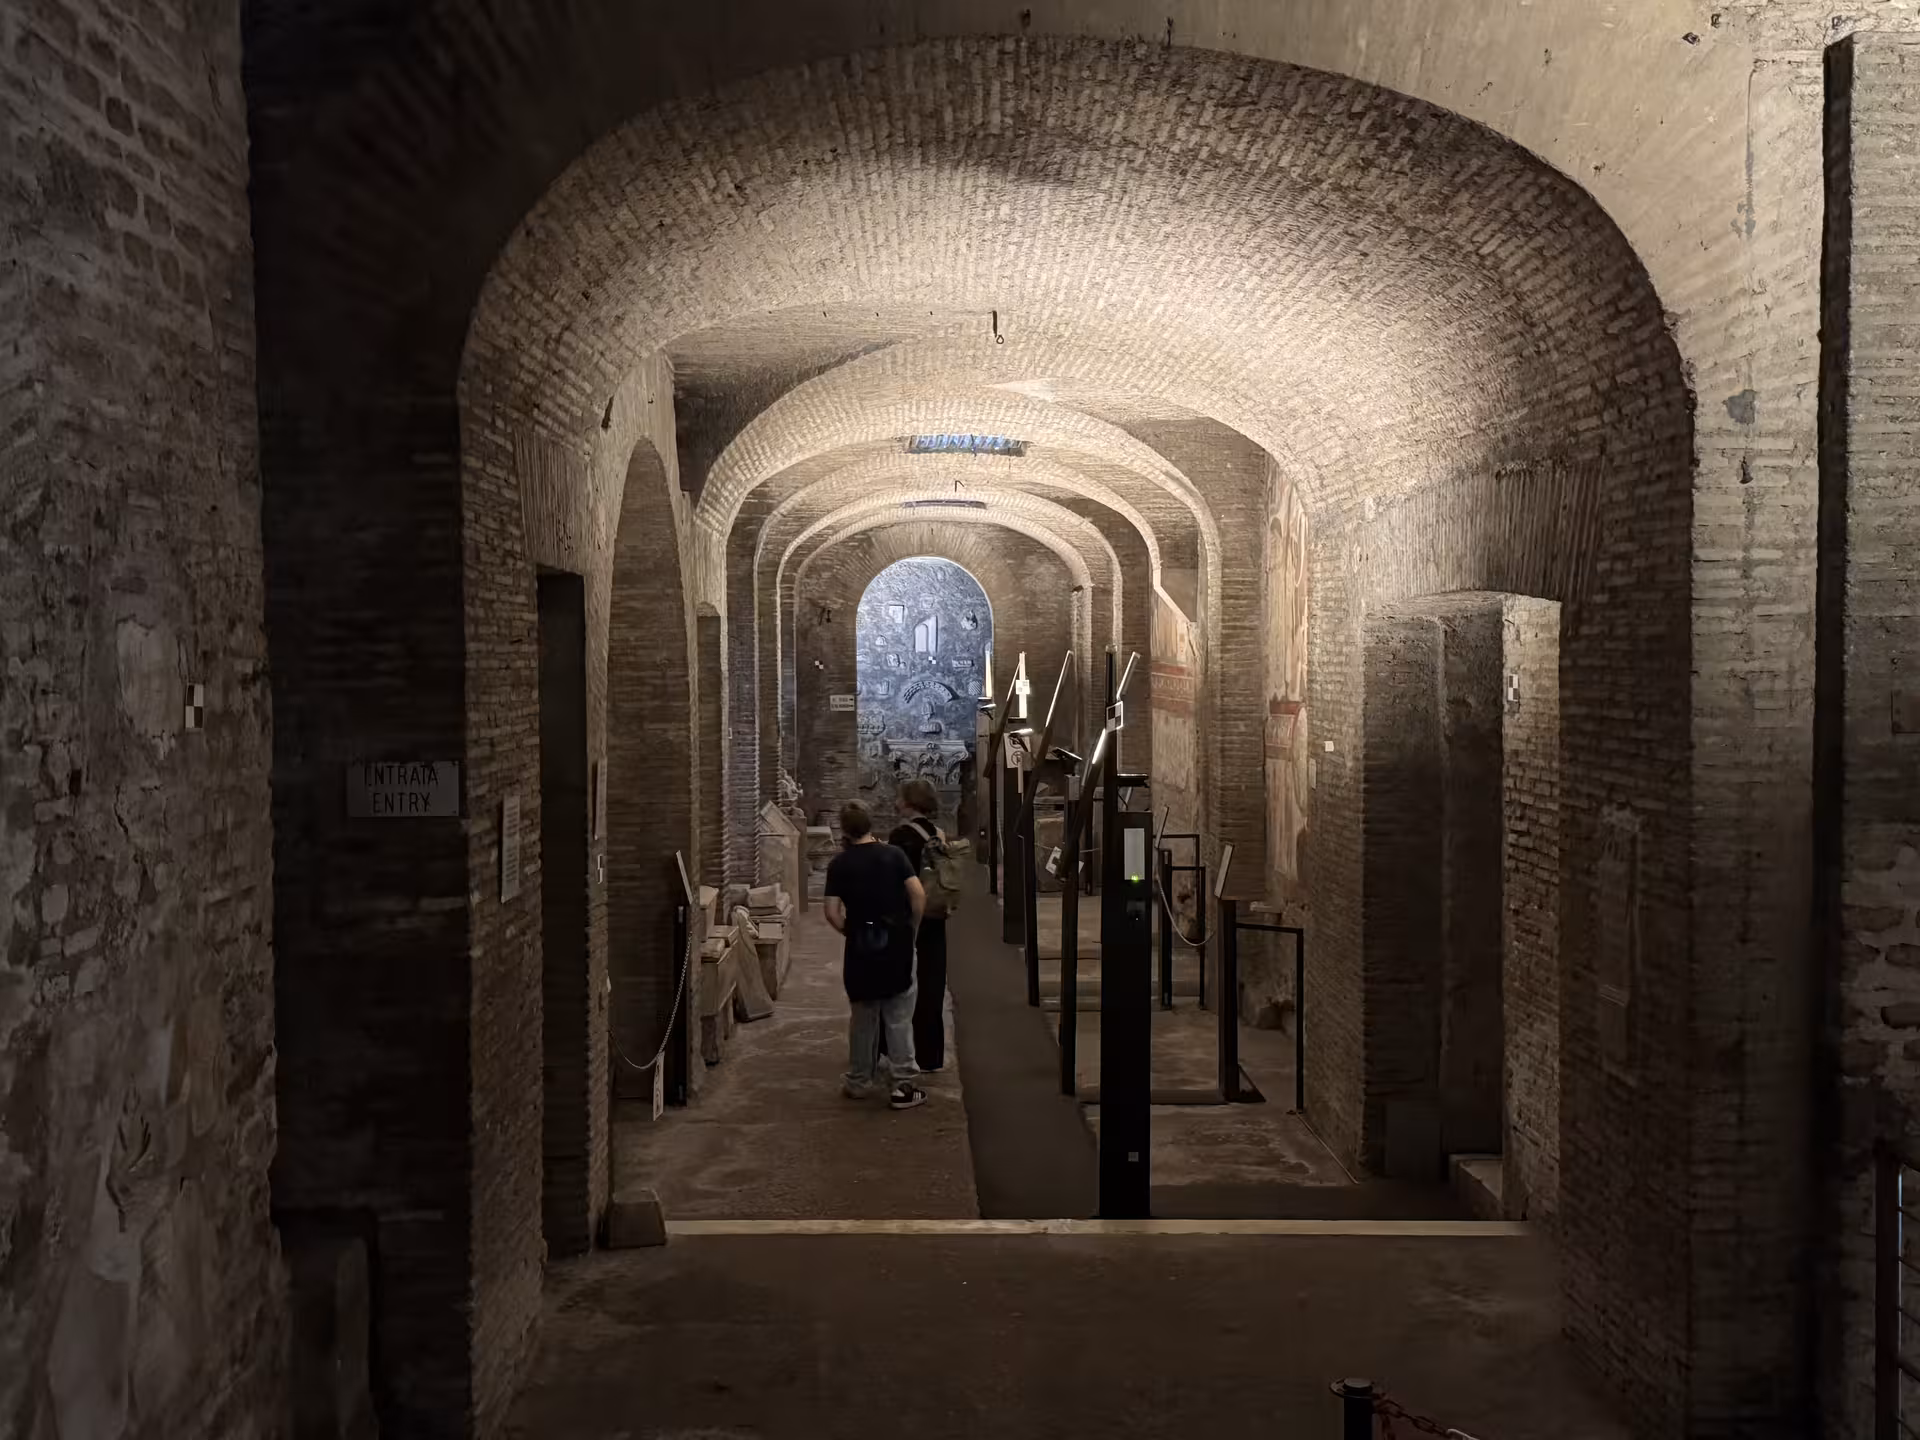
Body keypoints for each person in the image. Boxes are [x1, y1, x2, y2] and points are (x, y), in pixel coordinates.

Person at [823, 800, 927, 1110]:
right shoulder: (893, 855)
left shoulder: (839, 864)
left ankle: (858, 1081)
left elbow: (830, 912)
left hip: (860, 947)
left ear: (844, 829)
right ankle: (903, 1085)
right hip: (896, 943)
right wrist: (912, 931)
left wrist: (851, 933)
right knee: (898, 1015)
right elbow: (918, 896)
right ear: (870, 824)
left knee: (863, 1017)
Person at [888, 778, 951, 1073]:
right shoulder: (939, 833)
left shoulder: (901, 835)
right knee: (932, 984)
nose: (895, 801)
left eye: (899, 797)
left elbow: (893, 880)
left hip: (909, 918)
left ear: (910, 802)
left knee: (900, 988)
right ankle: (931, 1055)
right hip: (936, 916)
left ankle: (897, 1052)